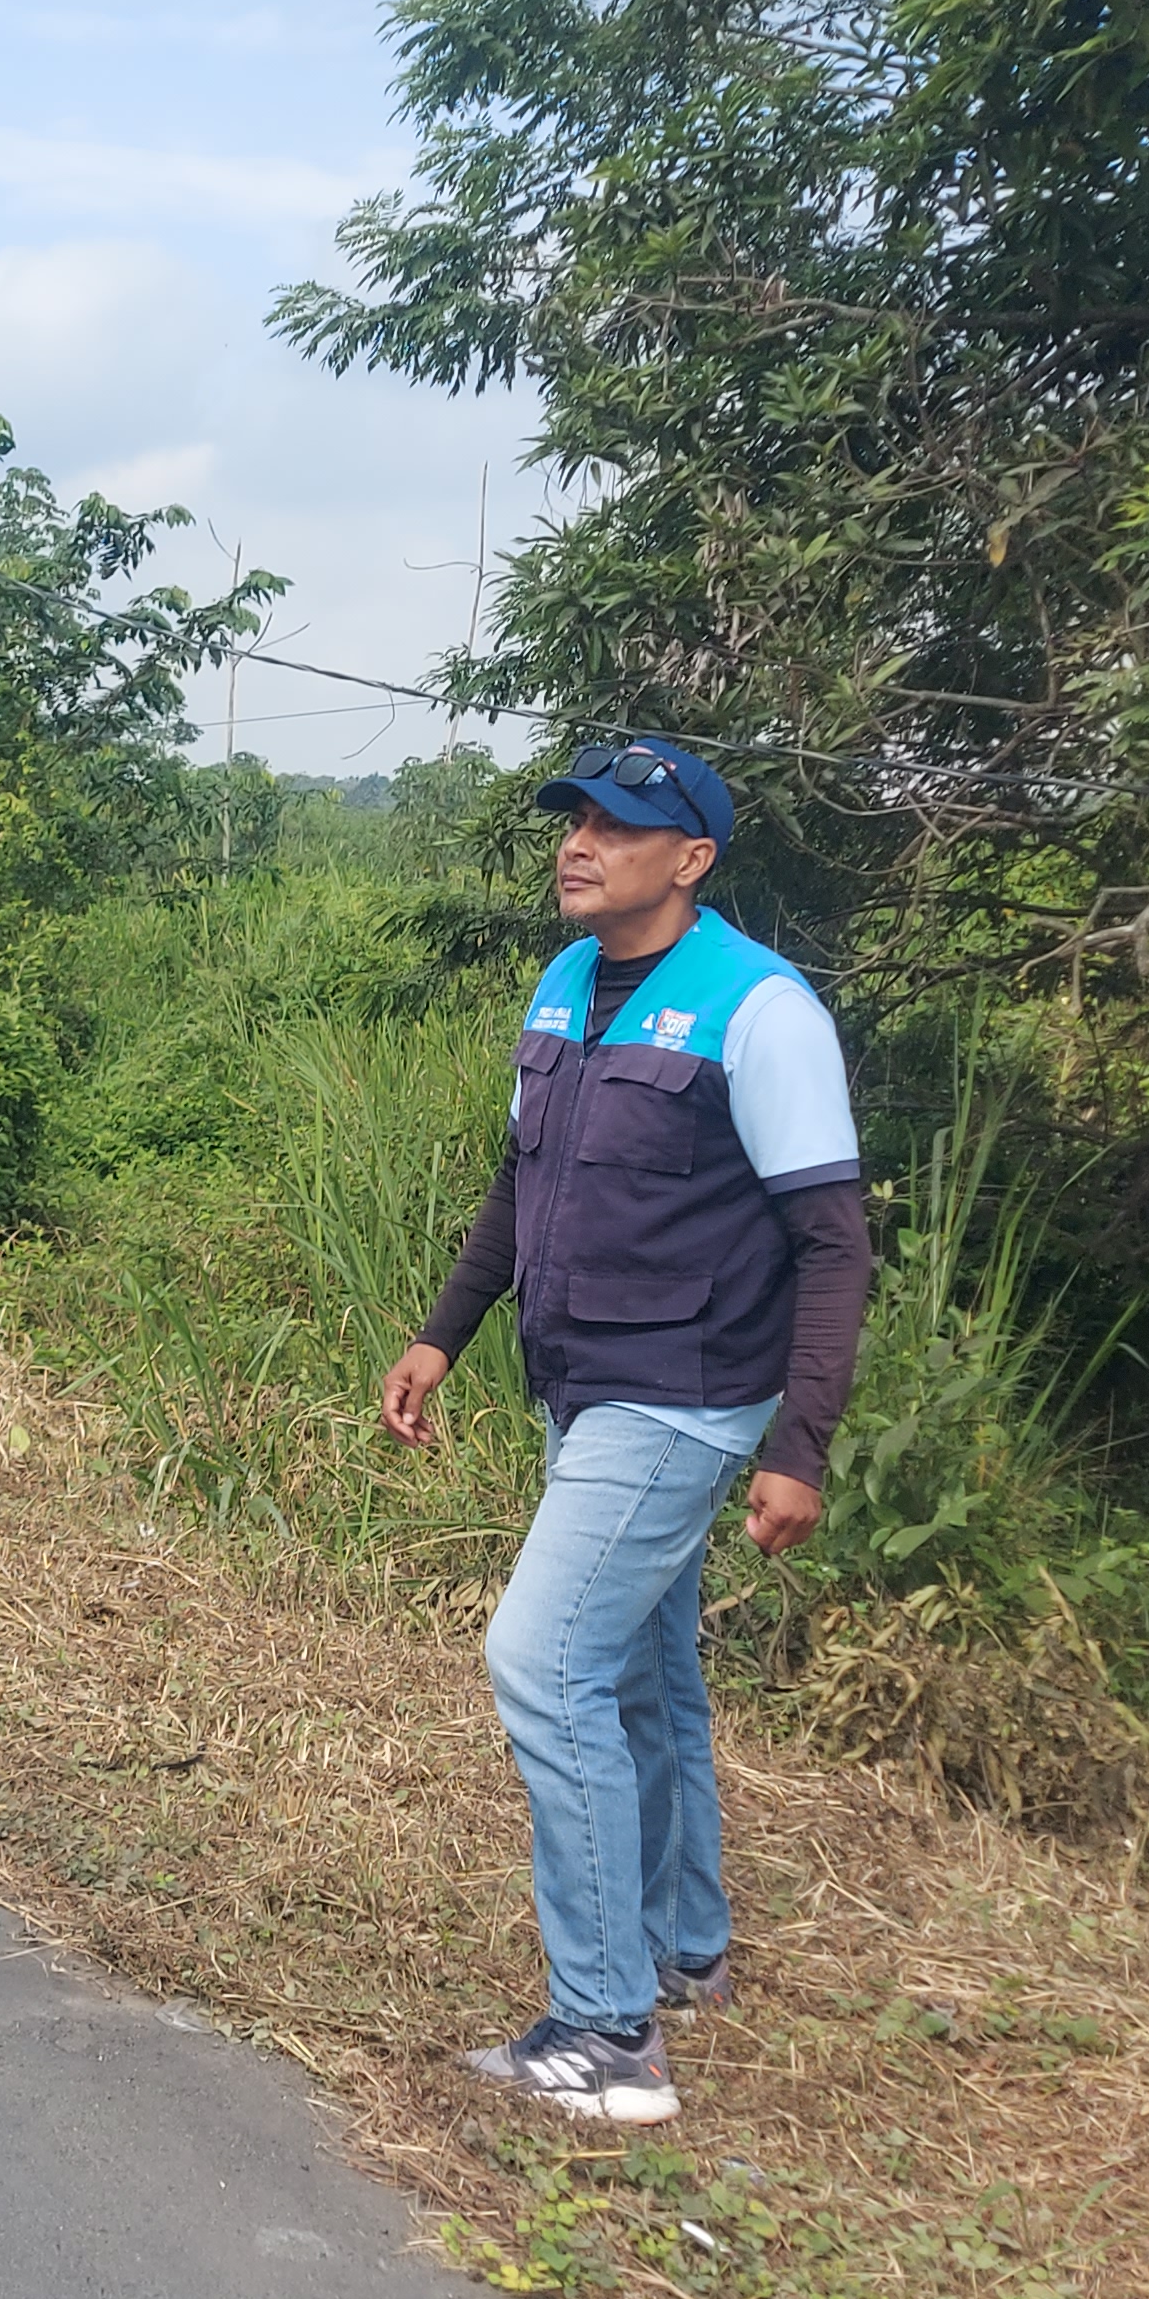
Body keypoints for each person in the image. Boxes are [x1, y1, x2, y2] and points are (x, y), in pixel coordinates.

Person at [376, 737, 870, 2123]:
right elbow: (519, 1179)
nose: (577, 844)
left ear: (691, 859)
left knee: (541, 1661)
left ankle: (606, 2034)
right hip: (579, 1381)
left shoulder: (760, 1009)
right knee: (645, 1676)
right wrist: (443, 1333)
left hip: (682, 1396)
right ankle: (683, 1945)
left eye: (615, 827)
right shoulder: (566, 981)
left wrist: (800, 1446)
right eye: (573, 821)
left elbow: (833, 1244)